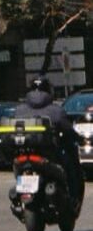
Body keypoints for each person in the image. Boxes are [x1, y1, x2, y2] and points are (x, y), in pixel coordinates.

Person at [13, 76, 83, 208]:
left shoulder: (19, 110)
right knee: (72, 168)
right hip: (50, 154)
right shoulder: (56, 110)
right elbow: (68, 129)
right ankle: (72, 200)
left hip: (23, 154)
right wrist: (77, 138)